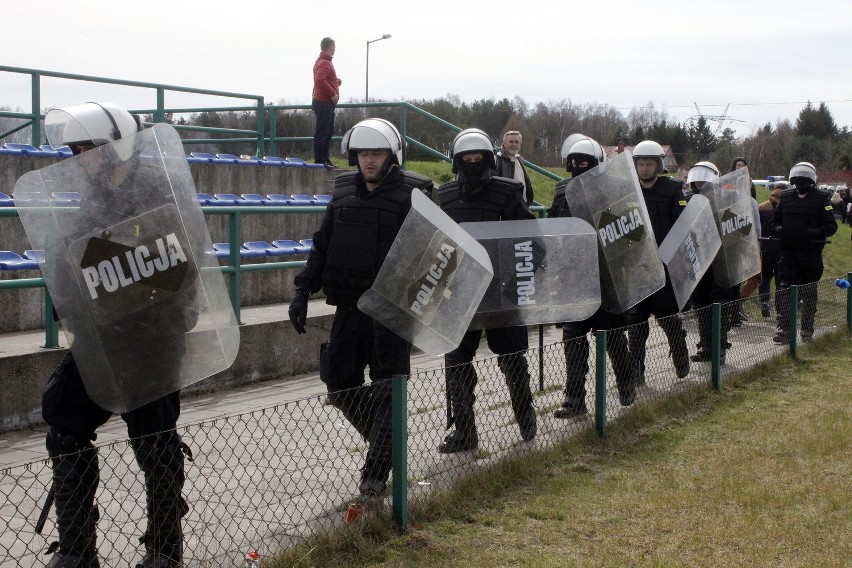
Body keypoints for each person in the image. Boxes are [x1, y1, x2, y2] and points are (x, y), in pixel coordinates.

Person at [40, 103, 194, 568]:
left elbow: (179, 271)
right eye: (77, 150)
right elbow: (74, 263)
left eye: (91, 148)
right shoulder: (92, 199)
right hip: (102, 342)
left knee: (155, 441)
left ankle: (165, 548)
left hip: (151, 340)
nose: (83, 158)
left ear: (119, 145)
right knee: (64, 418)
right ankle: (77, 549)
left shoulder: (156, 192)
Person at [288, 118, 434, 498]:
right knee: (338, 383)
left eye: (377, 153)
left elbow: (434, 255)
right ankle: (387, 445)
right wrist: (303, 290)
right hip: (350, 308)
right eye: (363, 153)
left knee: (387, 390)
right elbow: (323, 245)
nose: (369, 160)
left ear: (392, 155)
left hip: (392, 313)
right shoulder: (342, 193)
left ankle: (375, 474)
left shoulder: (414, 195)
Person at [434, 128, 537, 453]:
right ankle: (465, 431)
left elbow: (531, 240)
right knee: (456, 362)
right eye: (468, 159)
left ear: (490, 160)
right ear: (457, 161)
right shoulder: (446, 197)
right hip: (460, 294)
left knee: (512, 359)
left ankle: (525, 414)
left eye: (479, 158)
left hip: (501, 293)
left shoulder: (507, 194)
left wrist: (518, 279)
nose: (474, 164)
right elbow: (438, 245)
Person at [550, 136, 636, 415]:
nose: (577, 167)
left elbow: (630, 232)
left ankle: (626, 385)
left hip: (608, 278)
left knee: (612, 338)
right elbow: (554, 230)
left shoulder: (617, 189)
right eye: (573, 162)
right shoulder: (562, 192)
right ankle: (575, 399)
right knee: (573, 340)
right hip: (575, 280)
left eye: (583, 162)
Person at [626, 140, 690, 382]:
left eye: (649, 163)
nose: (644, 168)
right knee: (636, 322)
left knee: (668, 318)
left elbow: (682, 225)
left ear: (658, 165)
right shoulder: (630, 190)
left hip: (665, 267)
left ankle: (680, 357)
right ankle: (635, 371)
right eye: (640, 164)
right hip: (638, 267)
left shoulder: (672, 189)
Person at [772, 162, 837, 343]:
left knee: (809, 292)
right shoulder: (785, 197)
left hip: (811, 255)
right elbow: (774, 222)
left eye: (804, 181)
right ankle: (785, 329)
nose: (800, 185)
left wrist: (810, 232)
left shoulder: (823, 198)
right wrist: (781, 230)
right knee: (784, 290)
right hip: (789, 253)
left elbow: (831, 226)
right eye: (797, 181)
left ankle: (807, 329)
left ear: (811, 182)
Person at [686, 162, 741, 364]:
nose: (700, 185)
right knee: (701, 306)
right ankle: (707, 347)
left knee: (719, 306)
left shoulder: (727, 202)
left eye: (704, 181)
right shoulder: (689, 203)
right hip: (699, 263)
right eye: (697, 181)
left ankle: (719, 348)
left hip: (722, 264)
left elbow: (740, 229)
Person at [757, 182, 787, 317]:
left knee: (765, 276)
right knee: (780, 278)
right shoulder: (786, 206)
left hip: (765, 245)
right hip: (781, 246)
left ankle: (764, 301)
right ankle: (780, 307)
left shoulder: (762, 206)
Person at [312, 37, 342, 169]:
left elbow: (323, 79)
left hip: (324, 102)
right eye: (334, 47)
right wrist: (333, 93)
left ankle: (325, 159)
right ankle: (320, 160)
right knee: (323, 132)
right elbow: (320, 80)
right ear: (330, 47)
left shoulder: (322, 61)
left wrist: (336, 82)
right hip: (324, 102)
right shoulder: (325, 63)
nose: (335, 49)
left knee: (328, 131)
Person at [494, 130, 534, 205]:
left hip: (522, 206)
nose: (514, 144)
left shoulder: (519, 160)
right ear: (504, 144)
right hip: (505, 207)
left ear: (520, 144)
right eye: (511, 142)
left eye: (517, 142)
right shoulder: (497, 160)